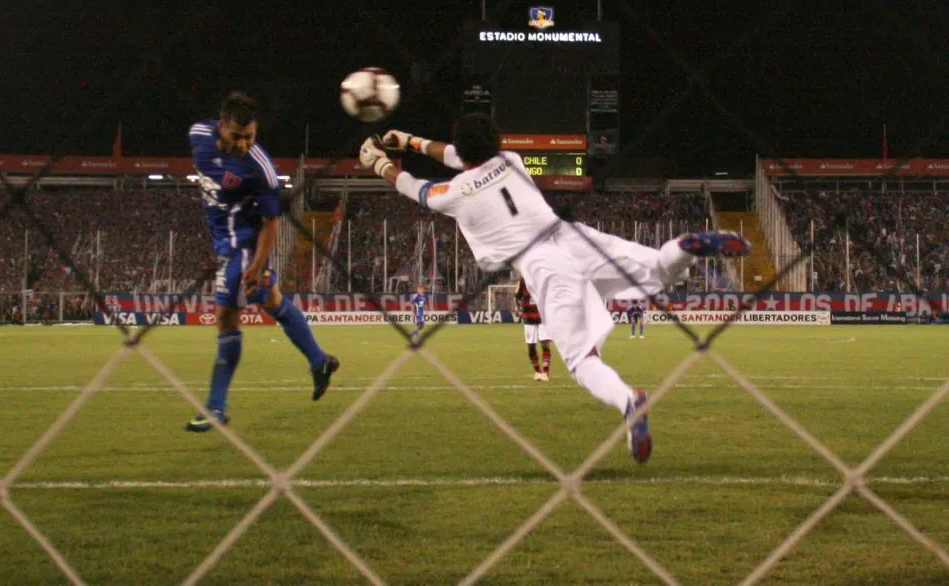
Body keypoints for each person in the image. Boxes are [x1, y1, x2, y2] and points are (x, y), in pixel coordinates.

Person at [358, 114, 750, 463]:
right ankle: (681, 247)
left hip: (543, 265)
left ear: (464, 149)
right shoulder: (509, 160)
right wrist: (410, 140)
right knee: (659, 272)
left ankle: (629, 400)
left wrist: (381, 164)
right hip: (576, 237)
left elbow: (416, 188)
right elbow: (456, 155)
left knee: (580, 360)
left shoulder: (456, 193)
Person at [185, 91, 339, 432]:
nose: (242, 144)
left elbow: (272, 222)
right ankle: (318, 360)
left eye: (249, 137)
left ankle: (216, 407)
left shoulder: (260, 168)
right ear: (221, 125)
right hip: (223, 243)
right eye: (236, 137)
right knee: (272, 301)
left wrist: (257, 265)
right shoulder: (198, 135)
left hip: (245, 245)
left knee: (226, 317)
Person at [515, 277, 552, 380]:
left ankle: (545, 371)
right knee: (531, 347)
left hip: (543, 318)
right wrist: (517, 309)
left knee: (545, 344)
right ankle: (538, 371)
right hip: (528, 318)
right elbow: (517, 296)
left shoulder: (545, 278)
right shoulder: (523, 280)